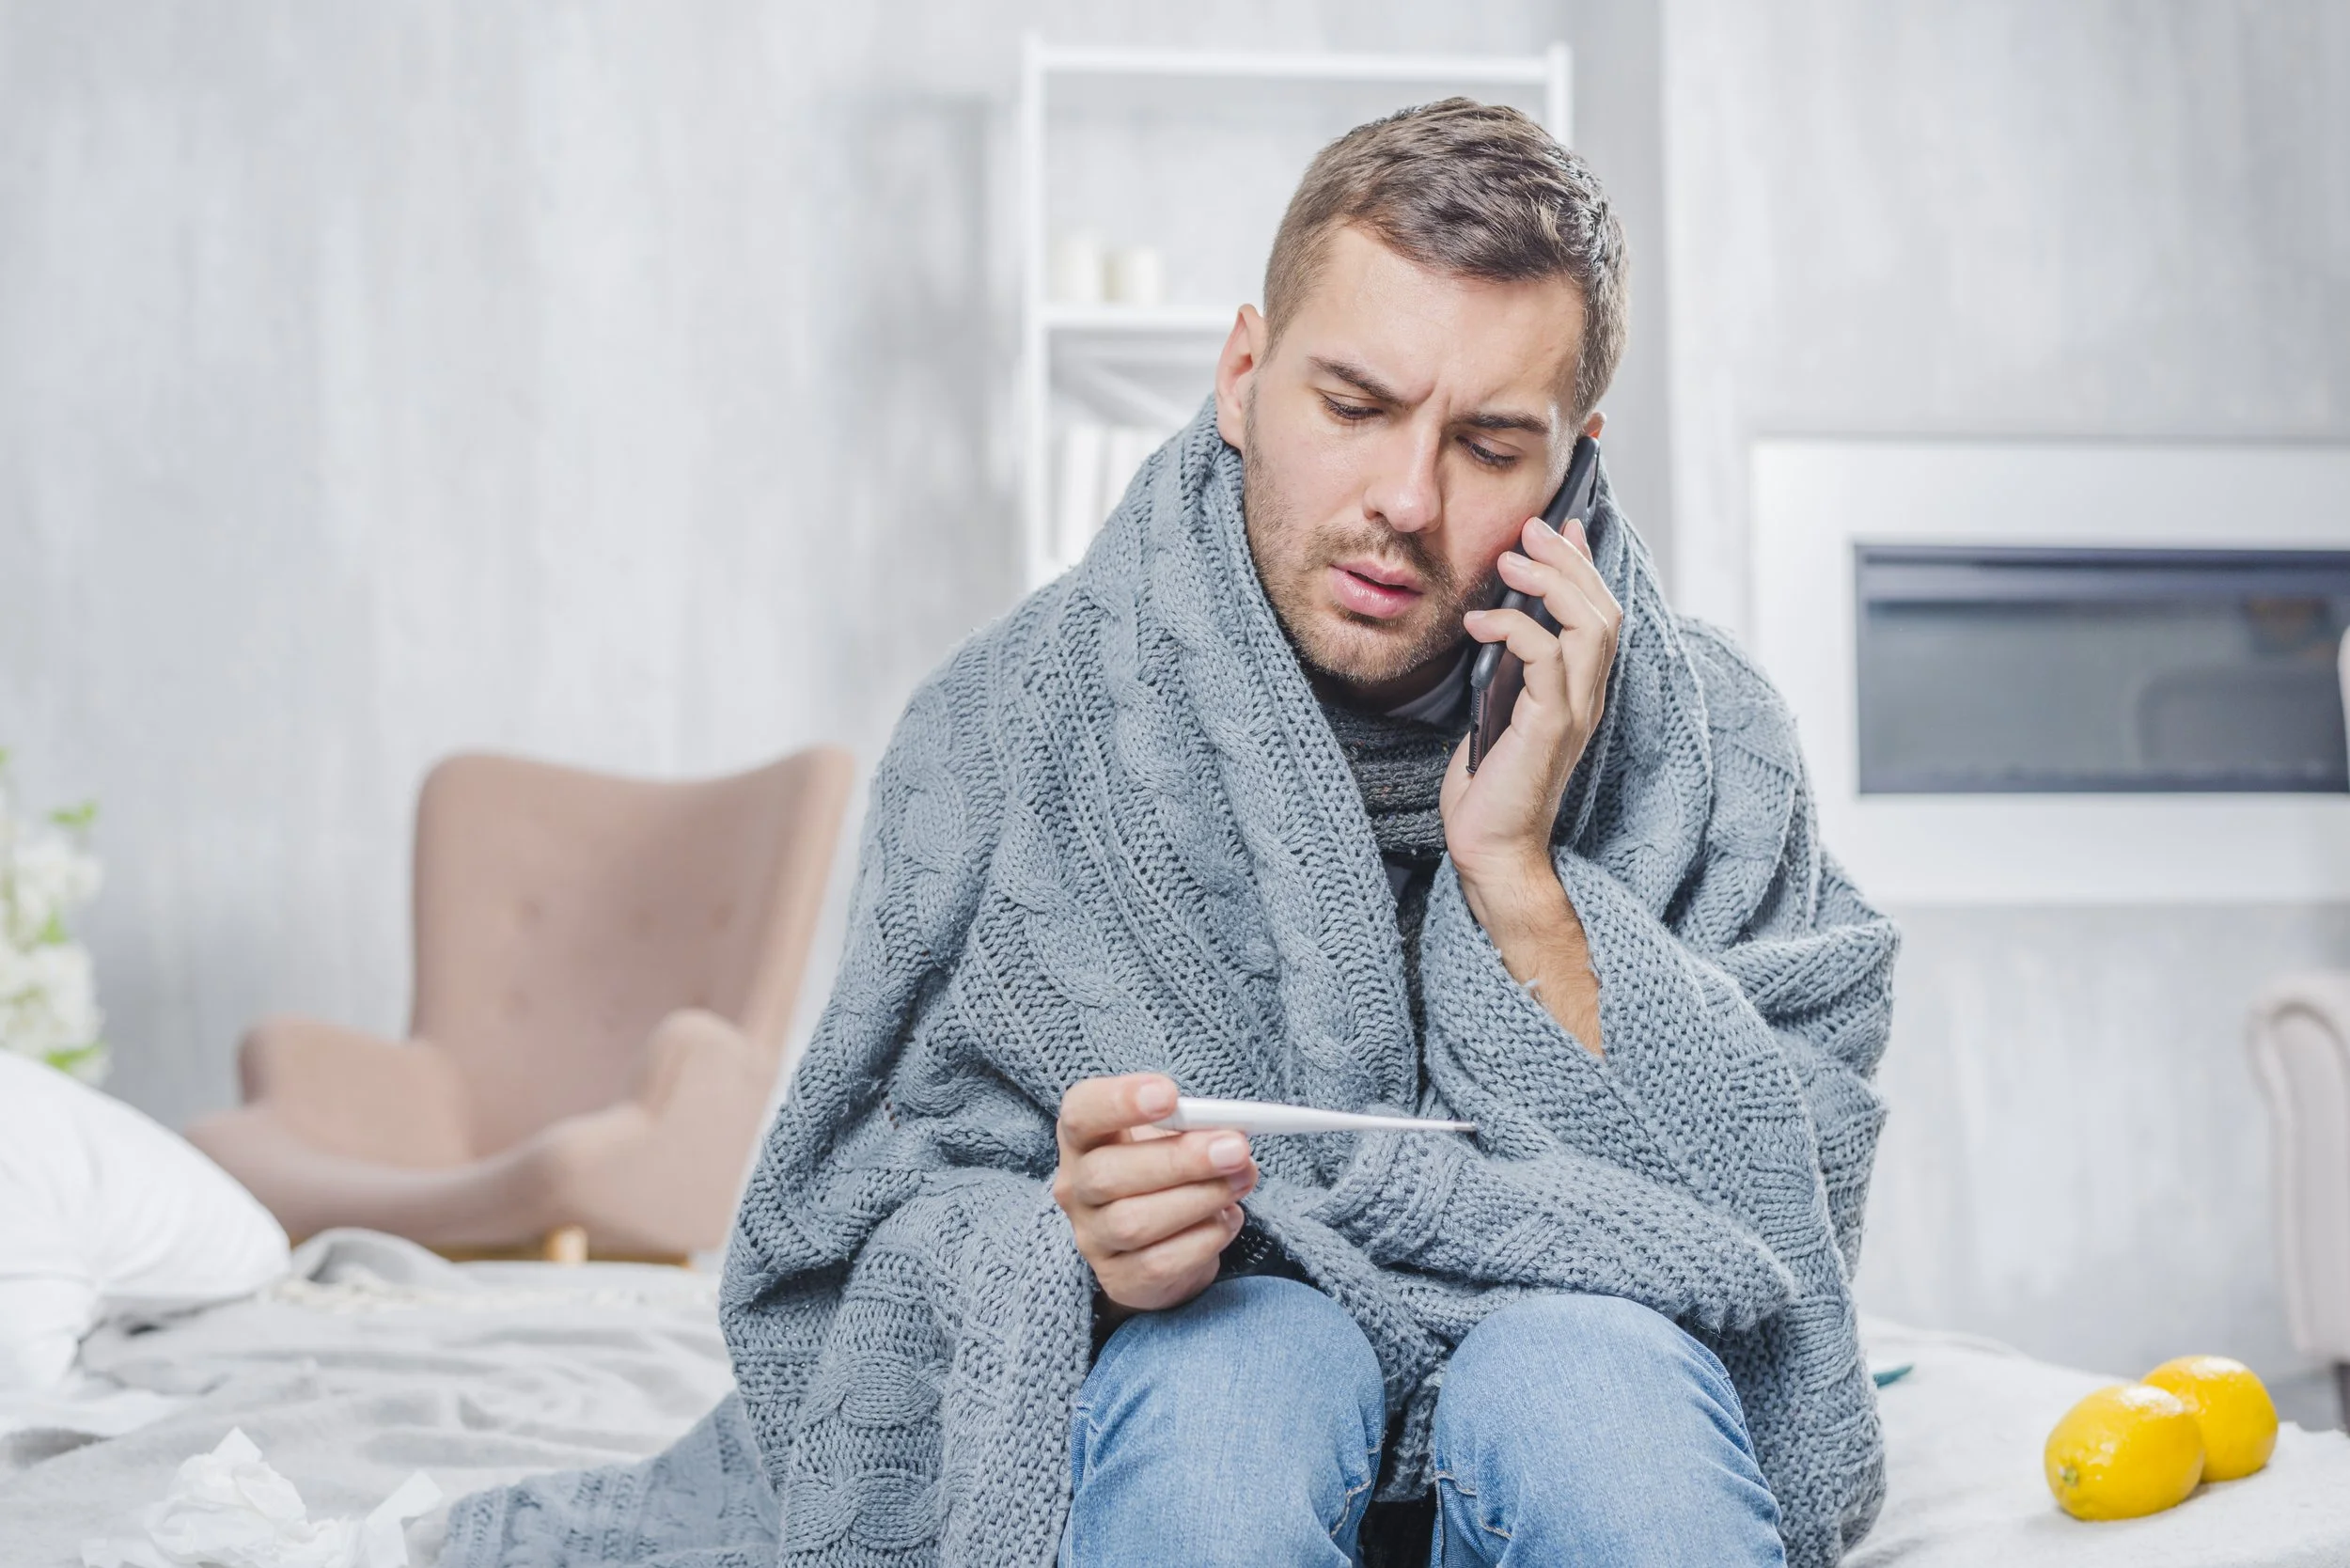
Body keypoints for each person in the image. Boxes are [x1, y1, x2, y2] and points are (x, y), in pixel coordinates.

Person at [442, 99, 1897, 1568]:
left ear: (1572, 463)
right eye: (1353, 406)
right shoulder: (1006, 724)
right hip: (1195, 1362)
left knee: (1600, 1401)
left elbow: (1792, 1214)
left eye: (1489, 444)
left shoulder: (1710, 744)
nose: (1404, 500)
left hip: (1584, 1348)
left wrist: (1517, 880)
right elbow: (848, 1239)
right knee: (1234, 1378)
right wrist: (1072, 1245)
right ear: (1245, 372)